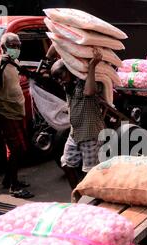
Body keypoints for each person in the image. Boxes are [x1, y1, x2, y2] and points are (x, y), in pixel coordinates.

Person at [51, 48, 106, 190]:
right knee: (66, 163)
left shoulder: (86, 82)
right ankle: (78, 195)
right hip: (75, 133)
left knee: (90, 172)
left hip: (90, 134)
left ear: (69, 70)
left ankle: (92, 202)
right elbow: (50, 54)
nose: (59, 80)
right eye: (56, 78)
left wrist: (92, 65)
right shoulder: (68, 86)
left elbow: (89, 92)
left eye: (61, 75)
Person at [0, 32, 34, 199]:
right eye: (13, 46)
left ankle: (8, 179)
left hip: (16, 109)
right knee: (13, 148)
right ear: (3, 47)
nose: (16, 49)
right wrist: (2, 65)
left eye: (18, 46)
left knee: (19, 147)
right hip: (4, 110)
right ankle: (14, 186)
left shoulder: (15, 62)